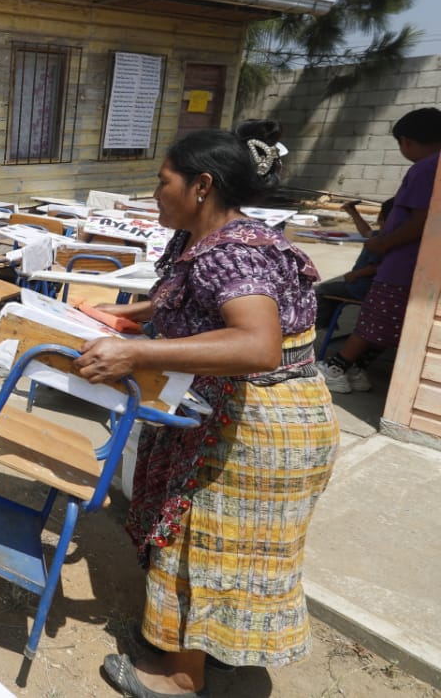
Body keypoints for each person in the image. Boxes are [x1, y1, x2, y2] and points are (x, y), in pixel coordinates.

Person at [72, 129, 339, 698]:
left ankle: (177, 681)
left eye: (162, 182)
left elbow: (257, 344)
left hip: (255, 429)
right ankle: (210, 656)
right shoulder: (205, 237)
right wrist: (127, 316)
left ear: (202, 185)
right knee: (220, 549)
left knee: (203, 546)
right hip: (246, 420)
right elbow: (188, 301)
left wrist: (138, 350)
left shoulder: (232, 251)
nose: (155, 194)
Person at [317, 108, 441, 393]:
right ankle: (357, 369)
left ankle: (337, 366)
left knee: (372, 323)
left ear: (406, 142)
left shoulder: (424, 168)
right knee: (387, 324)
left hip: (400, 266)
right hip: (410, 266)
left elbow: (421, 220)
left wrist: (383, 244)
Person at [312, 198, 392, 332]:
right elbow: (366, 232)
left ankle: (321, 324)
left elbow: (377, 266)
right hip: (377, 290)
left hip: (361, 288)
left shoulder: (380, 240)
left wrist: (355, 274)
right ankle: (328, 320)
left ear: (380, 218)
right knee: (333, 289)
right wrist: (353, 212)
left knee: (321, 289)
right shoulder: (394, 236)